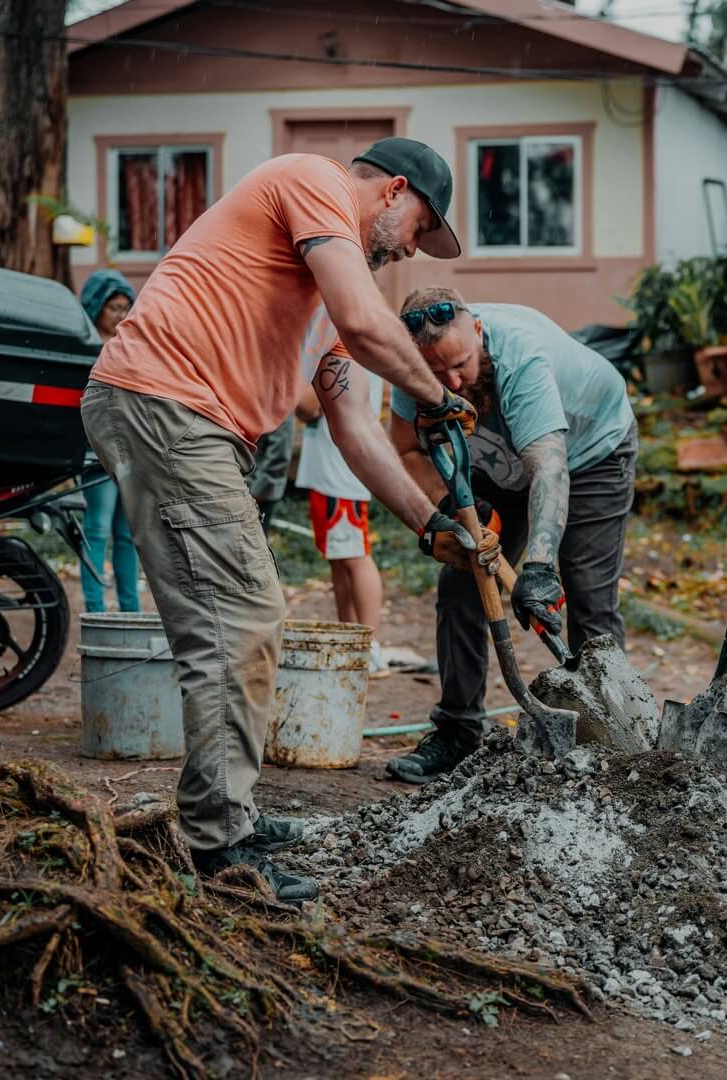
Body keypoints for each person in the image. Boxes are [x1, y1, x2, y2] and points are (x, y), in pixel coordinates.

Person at [79, 138, 484, 902]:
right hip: (166, 405)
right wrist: (435, 393)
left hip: (189, 422)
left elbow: (355, 429)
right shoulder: (312, 180)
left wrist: (429, 524)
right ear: (393, 191)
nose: (408, 252)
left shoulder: (327, 303)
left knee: (230, 624)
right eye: (418, 228)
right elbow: (371, 326)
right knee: (241, 621)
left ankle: (223, 814)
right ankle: (218, 845)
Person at [383, 287, 638, 784]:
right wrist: (450, 508)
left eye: (461, 364)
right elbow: (406, 450)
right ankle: (457, 733)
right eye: (438, 374)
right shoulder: (410, 368)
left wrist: (539, 568)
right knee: (460, 583)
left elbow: (549, 470)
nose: (453, 381)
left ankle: (614, 738)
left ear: (477, 330)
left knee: (587, 593)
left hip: (589, 456)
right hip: (497, 467)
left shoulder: (522, 358)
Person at [293, 305, 387, 671]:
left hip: (339, 471)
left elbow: (306, 406)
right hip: (330, 469)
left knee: (354, 555)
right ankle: (349, 635)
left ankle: (369, 642)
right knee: (339, 557)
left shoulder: (340, 341)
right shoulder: (344, 337)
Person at [77, 269, 141, 614]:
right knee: (97, 531)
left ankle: (131, 612)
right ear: (96, 307)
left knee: (129, 536)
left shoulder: (132, 347)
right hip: (97, 456)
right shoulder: (85, 348)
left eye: (125, 307)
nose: (120, 314)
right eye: (113, 307)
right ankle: (96, 609)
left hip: (132, 454)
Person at [246, 418, 297, 534]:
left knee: (253, 544)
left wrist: (257, 492)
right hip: (246, 486)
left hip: (257, 491)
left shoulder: (280, 402)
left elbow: (279, 454)